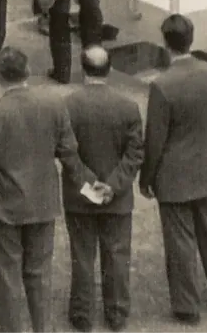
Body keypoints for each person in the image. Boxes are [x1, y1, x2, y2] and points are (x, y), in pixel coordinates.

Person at [0, 45, 95, 333]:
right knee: (40, 274)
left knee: (7, 277)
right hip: (42, 202)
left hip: (3, 206)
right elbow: (69, 154)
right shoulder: (54, 105)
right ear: (28, 72)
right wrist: (91, 188)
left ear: (0, 76)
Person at [140, 14, 207, 325]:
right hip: (205, 163)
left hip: (173, 172)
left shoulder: (162, 85)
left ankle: (186, 305)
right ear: (192, 38)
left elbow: (155, 139)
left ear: (165, 43)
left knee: (180, 240)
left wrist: (147, 176)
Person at [63, 46, 143, 333]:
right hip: (117, 197)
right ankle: (117, 312)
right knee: (117, 255)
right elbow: (134, 154)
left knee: (82, 256)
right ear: (109, 70)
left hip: (79, 196)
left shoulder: (68, 106)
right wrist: (112, 185)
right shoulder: (128, 107)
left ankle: (83, 314)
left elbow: (67, 153)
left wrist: (89, 183)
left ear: (82, 69)